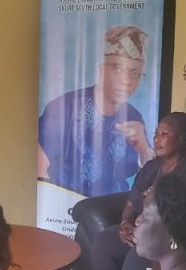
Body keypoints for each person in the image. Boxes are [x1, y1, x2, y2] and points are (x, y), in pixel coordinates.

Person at [89, 112, 186, 270]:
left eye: (164, 134)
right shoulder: (151, 167)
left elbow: (185, 220)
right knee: (103, 241)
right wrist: (126, 223)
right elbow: (130, 204)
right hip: (140, 229)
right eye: (156, 134)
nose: (157, 139)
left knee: (135, 258)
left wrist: (145, 233)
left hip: (165, 239)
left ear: (181, 139)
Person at [39, 25, 155, 197]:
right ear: (101, 69)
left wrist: (144, 149)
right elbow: (39, 167)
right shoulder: (64, 108)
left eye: (135, 73)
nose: (126, 80)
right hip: (65, 206)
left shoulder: (133, 117)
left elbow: (151, 178)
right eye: (118, 69)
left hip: (112, 208)